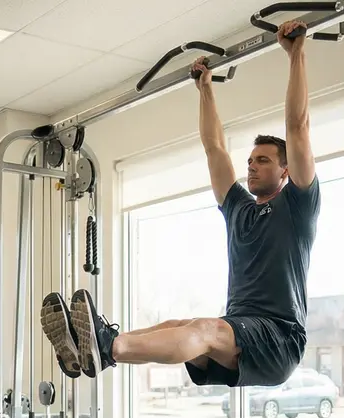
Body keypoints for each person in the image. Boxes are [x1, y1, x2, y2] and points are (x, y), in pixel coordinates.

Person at [41, 20, 320, 389]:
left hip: (279, 337)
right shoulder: (239, 208)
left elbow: (297, 126)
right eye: (250, 161)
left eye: (264, 161)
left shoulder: (298, 204)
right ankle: (95, 346)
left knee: (204, 329)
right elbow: (214, 148)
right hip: (242, 330)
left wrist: (296, 53)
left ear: (285, 170)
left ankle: (107, 346)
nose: (252, 166)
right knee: (181, 327)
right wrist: (205, 89)